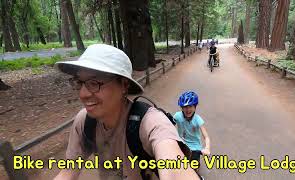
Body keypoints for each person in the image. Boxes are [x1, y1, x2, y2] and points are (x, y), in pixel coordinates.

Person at [53, 44, 201, 180]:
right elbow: (69, 171)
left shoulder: (150, 122)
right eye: (79, 82)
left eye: (94, 83)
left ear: (124, 85)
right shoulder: (85, 121)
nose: (83, 94)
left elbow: (174, 167)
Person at [173, 91, 211, 169]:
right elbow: (169, 126)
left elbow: (206, 137)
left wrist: (207, 148)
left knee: (194, 168)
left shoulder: (198, 120)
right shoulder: (177, 116)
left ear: (195, 106)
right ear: (181, 108)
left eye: (190, 106)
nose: (188, 109)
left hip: (195, 147)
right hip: (182, 144)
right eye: (185, 107)